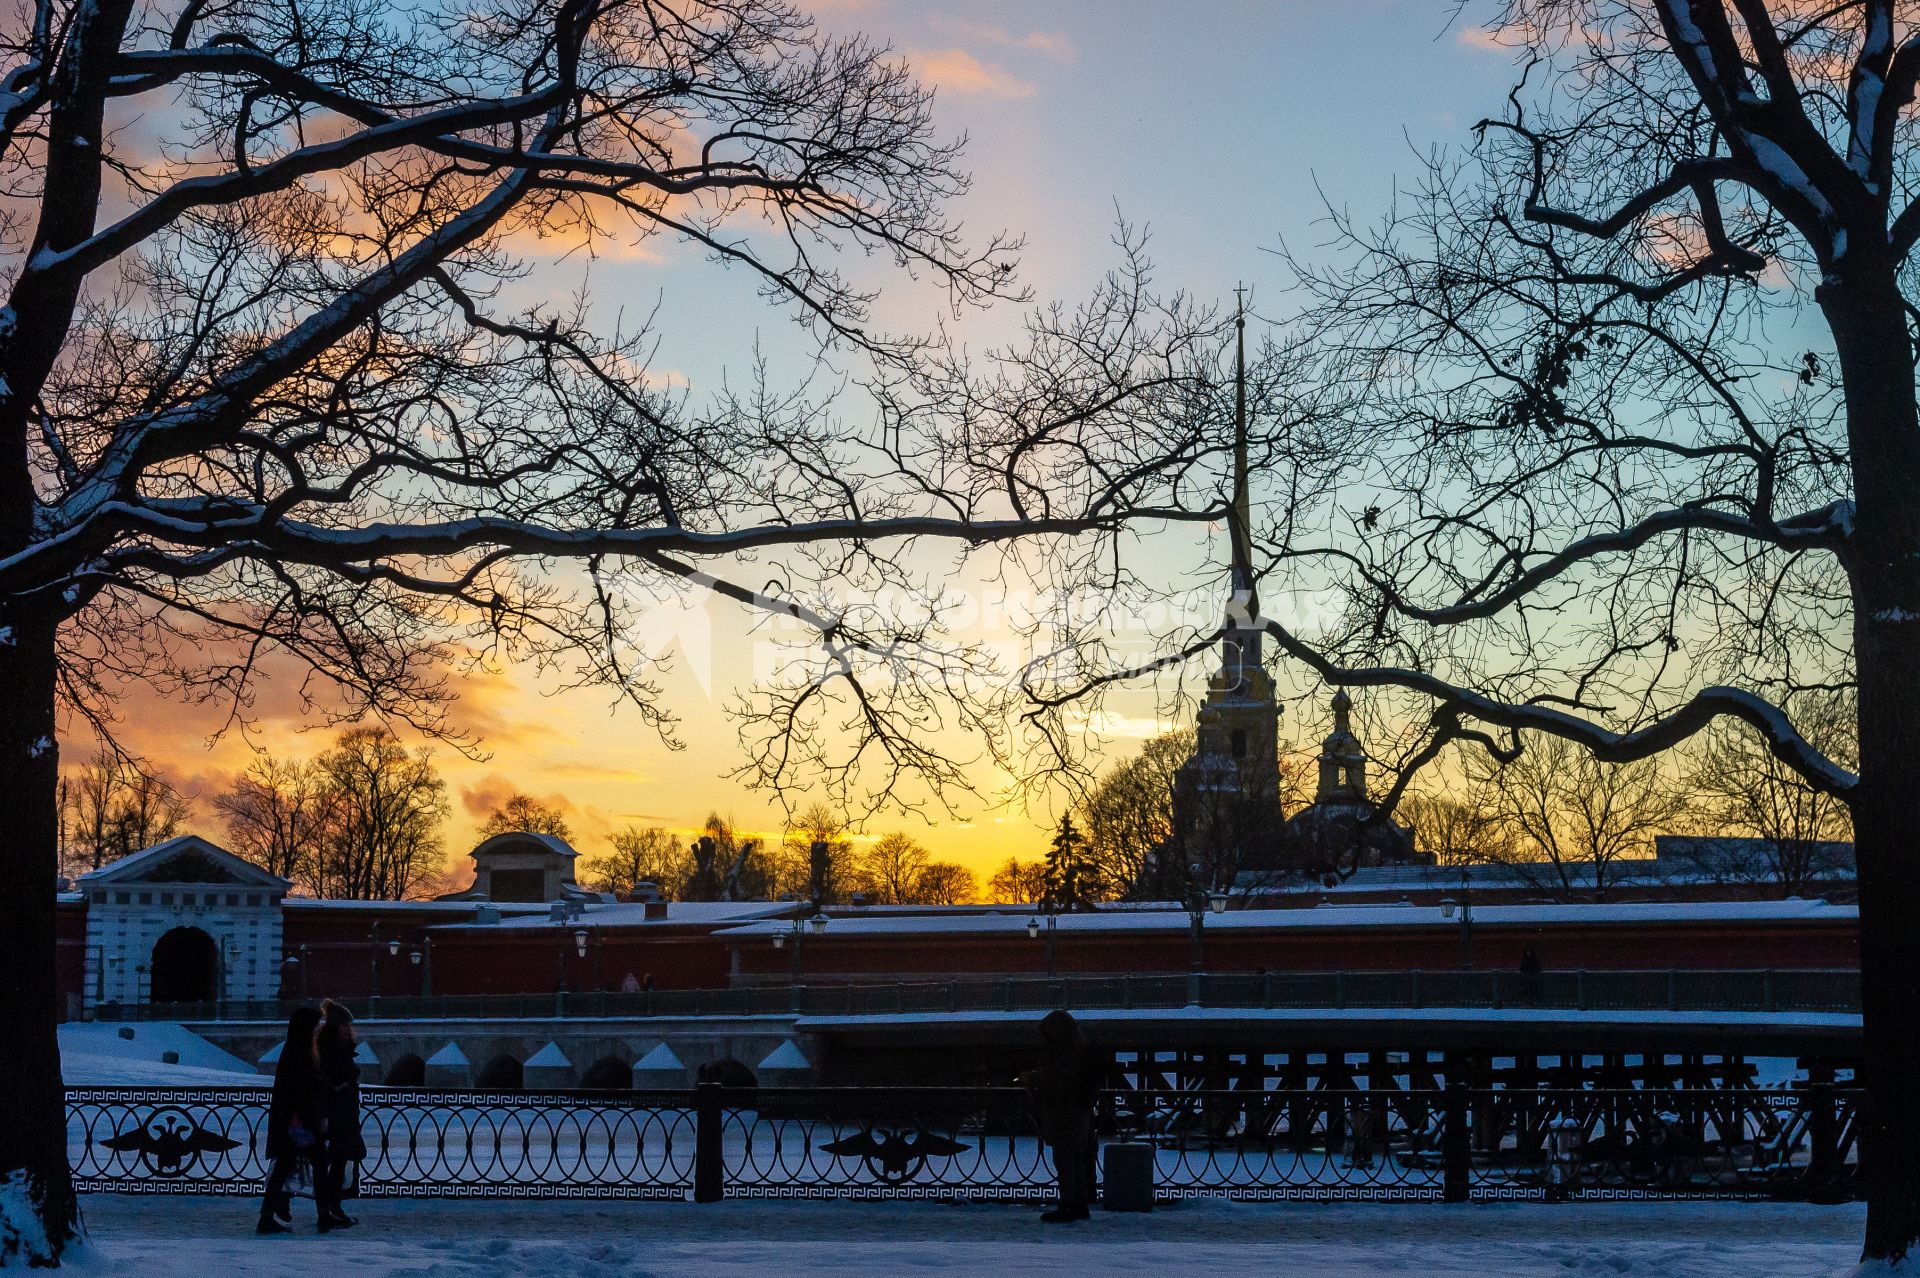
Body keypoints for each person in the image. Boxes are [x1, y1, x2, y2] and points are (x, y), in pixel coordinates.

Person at [1022, 1009, 1104, 1223]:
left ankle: (1070, 1205)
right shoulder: (1078, 1046)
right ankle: (1078, 1204)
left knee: (1065, 1158)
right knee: (1075, 1158)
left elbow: (1060, 1077)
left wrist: (1035, 1078)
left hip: (1068, 1112)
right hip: (1077, 1111)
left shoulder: (1071, 1051)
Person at [257, 1005, 322, 1235]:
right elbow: (297, 1089)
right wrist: (301, 1118)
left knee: (285, 1167)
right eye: (316, 1025)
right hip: (297, 1122)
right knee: (314, 1164)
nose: (318, 1029)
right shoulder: (299, 1051)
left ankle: (271, 1215)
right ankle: (324, 1215)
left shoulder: (294, 1049)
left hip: (293, 1120)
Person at [315, 1000, 366, 1231]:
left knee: (338, 1164)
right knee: (332, 1165)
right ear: (335, 1027)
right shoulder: (329, 1052)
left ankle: (333, 1208)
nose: (348, 1029)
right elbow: (325, 1085)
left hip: (345, 1116)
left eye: (349, 1026)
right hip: (335, 1117)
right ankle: (329, 1210)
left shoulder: (340, 1050)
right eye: (344, 1025)